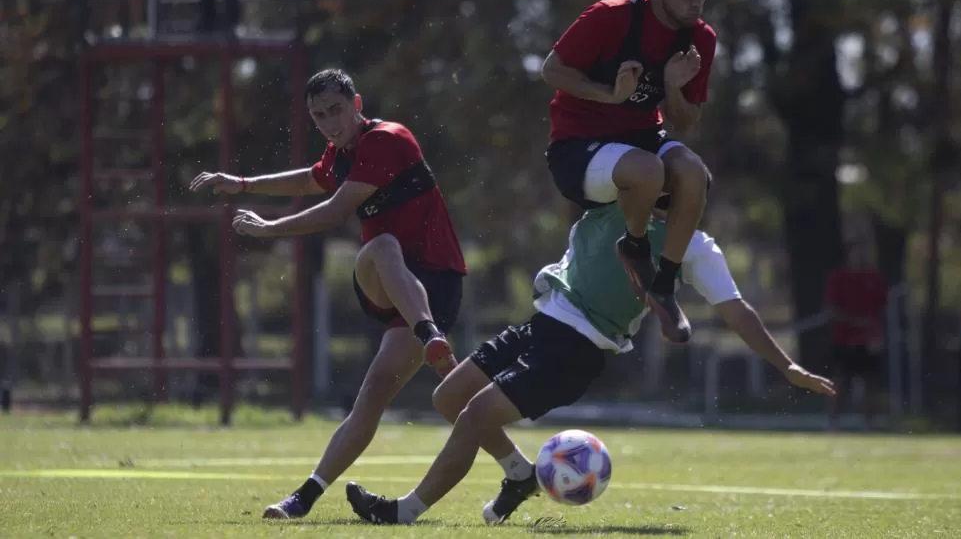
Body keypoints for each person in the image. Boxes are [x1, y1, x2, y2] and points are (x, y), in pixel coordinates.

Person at [345, 199, 836, 526]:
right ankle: (521, 474)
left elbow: (737, 311)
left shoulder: (696, 247)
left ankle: (404, 512)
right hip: (539, 324)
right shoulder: (615, 201)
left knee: (474, 414)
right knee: (448, 395)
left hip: (576, 350)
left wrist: (786, 365)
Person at [189, 68, 467, 518]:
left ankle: (517, 469)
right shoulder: (340, 155)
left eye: (336, 110)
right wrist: (244, 184)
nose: (330, 123)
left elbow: (336, 210)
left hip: (436, 283)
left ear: (357, 105)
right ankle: (305, 497)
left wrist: (270, 228)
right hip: (392, 284)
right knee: (380, 246)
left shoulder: (386, 139)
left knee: (408, 393)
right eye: (319, 116)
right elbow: (310, 180)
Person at [540, 0, 717, 346]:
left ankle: (664, 285)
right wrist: (610, 95)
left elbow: (686, 120)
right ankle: (634, 248)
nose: (697, 1)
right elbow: (552, 70)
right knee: (647, 170)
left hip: (640, 139)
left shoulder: (700, 39)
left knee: (694, 174)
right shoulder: (610, 15)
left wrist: (673, 86)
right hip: (577, 146)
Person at [824, 242, 888, 430]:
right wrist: (856, 322)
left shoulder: (874, 278)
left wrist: (876, 333)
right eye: (856, 253)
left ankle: (869, 422)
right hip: (843, 339)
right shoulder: (839, 278)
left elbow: (883, 308)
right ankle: (832, 421)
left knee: (870, 381)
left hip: (869, 340)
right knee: (840, 381)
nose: (860, 257)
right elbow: (832, 309)